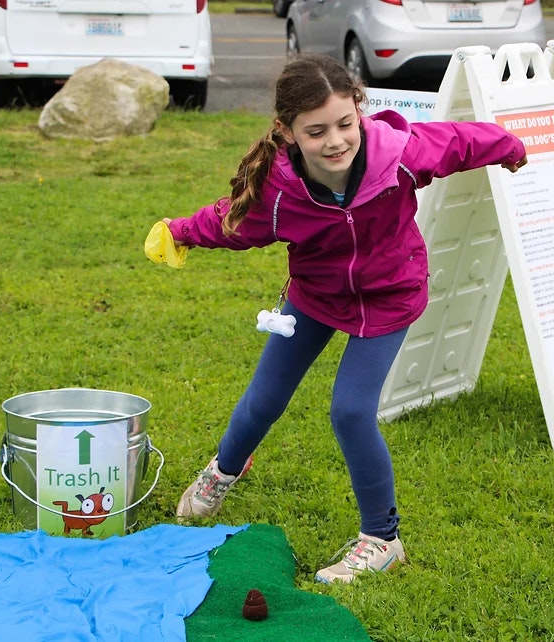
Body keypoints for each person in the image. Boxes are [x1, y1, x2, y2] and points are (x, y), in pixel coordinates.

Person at [161, 53, 527, 584]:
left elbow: (460, 141)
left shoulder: (399, 154)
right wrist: (177, 231)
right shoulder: (279, 192)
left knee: (351, 412)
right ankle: (223, 471)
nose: (334, 141)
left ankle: (382, 539)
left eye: (344, 124)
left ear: (360, 109)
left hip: (389, 297)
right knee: (263, 400)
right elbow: (230, 222)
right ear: (287, 132)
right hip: (315, 298)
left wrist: (508, 147)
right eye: (315, 131)